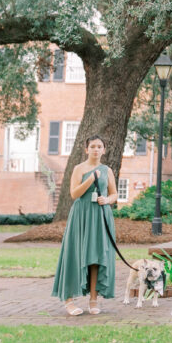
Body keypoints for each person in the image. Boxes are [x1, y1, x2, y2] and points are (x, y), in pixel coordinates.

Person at [51, 135, 119, 316]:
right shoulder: (79, 169)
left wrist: (107, 200)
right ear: (86, 149)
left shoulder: (107, 170)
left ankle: (94, 299)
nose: (96, 149)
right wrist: (90, 180)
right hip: (81, 216)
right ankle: (68, 300)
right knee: (75, 254)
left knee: (96, 257)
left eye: (99, 146)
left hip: (100, 215)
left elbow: (114, 194)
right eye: (93, 146)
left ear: (104, 150)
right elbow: (74, 193)